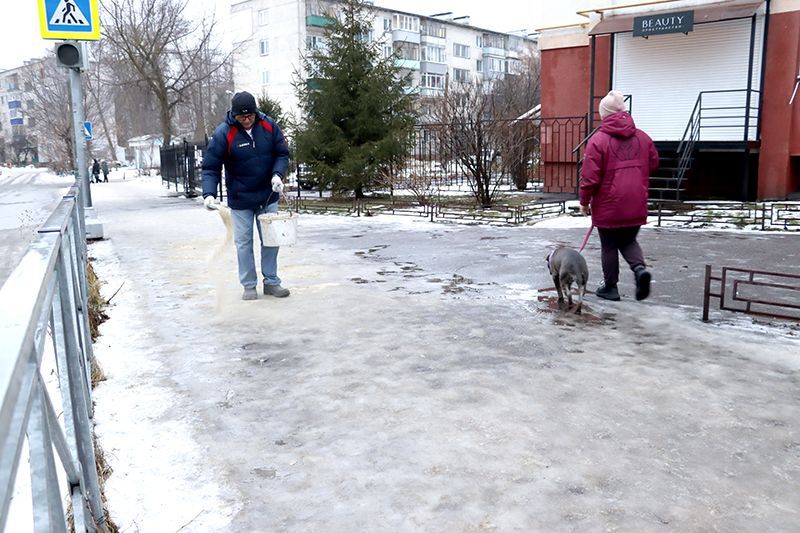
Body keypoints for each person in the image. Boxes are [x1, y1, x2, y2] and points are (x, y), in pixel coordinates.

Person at [201, 91, 290, 301]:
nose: (247, 120)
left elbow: (281, 153)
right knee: (243, 243)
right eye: (242, 117)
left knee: (271, 241)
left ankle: (271, 282)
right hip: (241, 198)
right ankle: (249, 285)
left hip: (268, 195)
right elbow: (211, 167)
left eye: (250, 115)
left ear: (255, 112)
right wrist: (209, 193)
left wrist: (277, 174)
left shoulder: (268, 126)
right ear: (234, 115)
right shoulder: (224, 133)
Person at [579, 90, 659, 302]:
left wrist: (584, 202)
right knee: (628, 240)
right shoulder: (642, 137)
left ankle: (610, 287)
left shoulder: (598, 141)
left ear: (605, 115)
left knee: (609, 245)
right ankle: (640, 270)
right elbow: (654, 163)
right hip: (636, 202)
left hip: (609, 205)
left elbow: (589, 177)